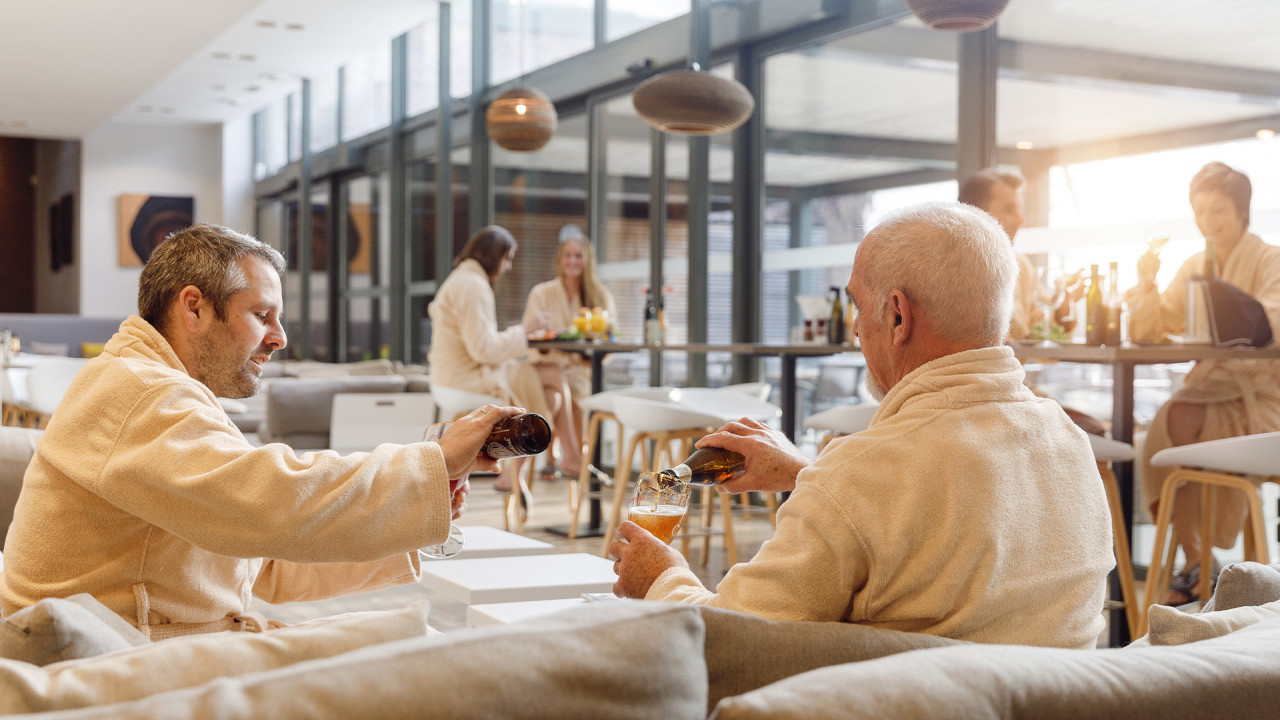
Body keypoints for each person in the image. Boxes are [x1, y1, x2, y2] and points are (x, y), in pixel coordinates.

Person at [609, 202, 1114, 649]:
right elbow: (940, 502)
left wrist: (664, 579)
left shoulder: (862, 474)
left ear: (898, 316)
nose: (852, 326)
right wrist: (805, 472)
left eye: (856, 303)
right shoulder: (1068, 441)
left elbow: (731, 645)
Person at [0, 223, 521, 638]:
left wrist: (416, 518)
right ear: (194, 307)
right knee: (416, 651)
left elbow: (258, 561)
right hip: (110, 663)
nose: (281, 337)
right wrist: (431, 464)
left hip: (149, 642)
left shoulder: (159, 389)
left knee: (407, 644)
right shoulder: (139, 393)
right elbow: (278, 502)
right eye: (262, 314)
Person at [1126, 161, 1280, 604]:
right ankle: (1200, 560)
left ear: (1242, 211)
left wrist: (1224, 306)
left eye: (1218, 210)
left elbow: (1266, 323)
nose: (1208, 222)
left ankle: (1198, 562)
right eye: (1200, 211)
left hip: (1265, 399)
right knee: (1171, 428)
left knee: (1172, 425)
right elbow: (1149, 330)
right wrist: (1147, 281)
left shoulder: (1270, 260)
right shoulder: (1196, 264)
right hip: (1210, 392)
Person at [960, 168, 1104, 436]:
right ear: (977, 212)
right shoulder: (949, 269)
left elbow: (1042, 337)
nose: (1021, 219)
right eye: (1009, 209)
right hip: (968, 399)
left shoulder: (1020, 266)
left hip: (1017, 392)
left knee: (1092, 432)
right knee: (1086, 434)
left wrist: (1063, 308)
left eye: (1020, 209)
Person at [428, 225, 550, 495]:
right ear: (493, 256)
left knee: (548, 383)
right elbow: (483, 349)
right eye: (506, 258)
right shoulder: (473, 286)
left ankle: (525, 467)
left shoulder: (461, 279)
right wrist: (525, 329)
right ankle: (532, 458)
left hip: (448, 376)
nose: (507, 267)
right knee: (546, 379)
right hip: (463, 380)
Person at [523, 224, 617, 479]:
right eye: (568, 255)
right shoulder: (541, 293)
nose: (573, 261)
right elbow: (529, 339)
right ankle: (571, 457)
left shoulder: (599, 296)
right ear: (559, 259)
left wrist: (588, 343)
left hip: (581, 368)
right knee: (554, 384)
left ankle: (554, 457)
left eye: (578, 255)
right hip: (547, 366)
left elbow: (610, 340)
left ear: (587, 259)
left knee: (566, 390)